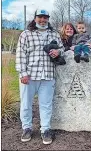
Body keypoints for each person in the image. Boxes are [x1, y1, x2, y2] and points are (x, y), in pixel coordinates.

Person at [15, 9, 64, 145]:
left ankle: (45, 129)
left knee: (46, 104)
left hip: (48, 75)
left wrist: (58, 51)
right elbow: (20, 54)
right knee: (25, 103)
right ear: (35, 18)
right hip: (30, 75)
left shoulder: (54, 33)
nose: (43, 20)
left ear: (48, 18)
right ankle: (27, 128)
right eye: (40, 17)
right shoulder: (26, 34)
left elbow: (62, 49)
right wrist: (23, 73)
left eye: (45, 17)